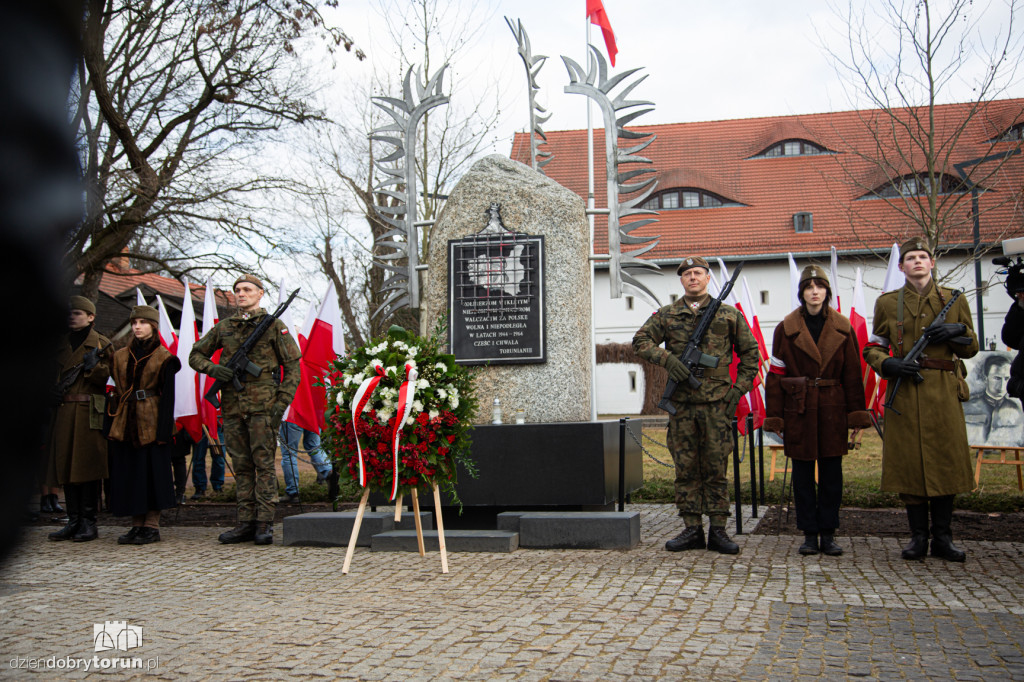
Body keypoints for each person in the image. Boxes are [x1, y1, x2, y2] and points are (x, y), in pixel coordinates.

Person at [633, 256, 759, 554]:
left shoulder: (728, 315)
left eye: (698, 273)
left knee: (716, 467)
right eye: (687, 273)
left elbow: (751, 356)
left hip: (717, 405)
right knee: (686, 467)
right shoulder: (667, 315)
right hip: (683, 406)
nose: (693, 278)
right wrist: (668, 360)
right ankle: (692, 528)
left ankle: (718, 530)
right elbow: (640, 341)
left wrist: (735, 393)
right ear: (681, 280)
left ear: (707, 278)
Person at [864, 239, 979, 562]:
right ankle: (918, 537)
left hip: (943, 391)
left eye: (923, 257)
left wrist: (957, 331)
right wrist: (887, 364)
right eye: (911, 258)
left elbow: (971, 347)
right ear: (901, 267)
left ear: (931, 263)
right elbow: (873, 346)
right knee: (909, 464)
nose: (917, 262)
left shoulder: (954, 300)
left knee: (946, 461)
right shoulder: (887, 303)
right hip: (907, 389)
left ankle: (943, 537)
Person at [764, 265, 871, 556]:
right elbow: (775, 374)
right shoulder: (785, 328)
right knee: (801, 475)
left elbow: (852, 373)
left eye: (819, 286)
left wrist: (857, 414)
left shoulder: (843, 327)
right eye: (809, 287)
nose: (814, 291)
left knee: (831, 474)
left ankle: (829, 532)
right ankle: (809, 534)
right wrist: (774, 415)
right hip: (798, 408)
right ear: (802, 293)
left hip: (832, 407)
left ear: (827, 291)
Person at [189, 275, 301, 545]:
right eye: (237, 290)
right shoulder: (225, 327)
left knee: (263, 464)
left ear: (260, 293)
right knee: (241, 466)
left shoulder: (273, 326)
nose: (241, 294)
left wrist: (280, 404)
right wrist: (215, 370)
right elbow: (195, 355)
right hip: (232, 406)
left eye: (247, 290)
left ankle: (264, 524)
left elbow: (293, 368)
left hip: (264, 407)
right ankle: (245, 523)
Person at [105, 306, 180, 545]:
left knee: (153, 473)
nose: (138, 326)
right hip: (125, 419)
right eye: (135, 322)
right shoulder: (119, 356)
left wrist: (164, 431)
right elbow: (115, 391)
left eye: (143, 322)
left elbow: (168, 398)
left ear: (154, 326)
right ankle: (136, 525)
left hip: (153, 418)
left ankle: (151, 525)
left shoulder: (165, 358)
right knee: (130, 472)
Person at [47, 296, 112, 542]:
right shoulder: (58, 344)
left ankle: (88, 522)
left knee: (87, 466)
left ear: (91, 317)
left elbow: (106, 378)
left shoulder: (101, 344)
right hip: (64, 410)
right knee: (65, 466)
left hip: (88, 411)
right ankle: (73, 520)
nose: (72, 317)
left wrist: (93, 366)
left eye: (78, 313)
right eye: (70, 313)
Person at [963, 354, 1023, 446]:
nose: (1002, 385)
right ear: (985, 378)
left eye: (1006, 379)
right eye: (997, 378)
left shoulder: (1017, 409)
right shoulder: (968, 406)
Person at [279, 420, 333, 503]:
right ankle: (328, 471)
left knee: (289, 453)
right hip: (311, 415)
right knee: (314, 446)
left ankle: (292, 492)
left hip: (292, 415)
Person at [190, 426, 226, 499]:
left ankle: (217, 486)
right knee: (198, 458)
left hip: (216, 424)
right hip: (200, 424)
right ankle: (200, 487)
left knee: (219, 458)